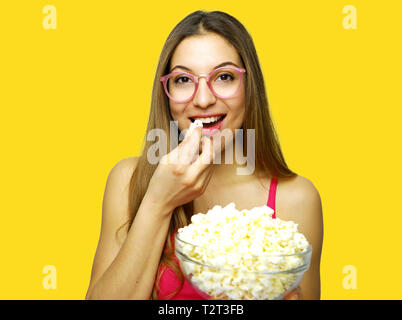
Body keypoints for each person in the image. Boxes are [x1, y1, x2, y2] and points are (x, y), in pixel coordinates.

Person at [85, 10, 323, 300]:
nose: (203, 99)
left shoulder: (295, 198)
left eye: (224, 77)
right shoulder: (128, 180)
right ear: (166, 93)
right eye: (183, 80)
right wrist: (159, 202)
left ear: (250, 88)